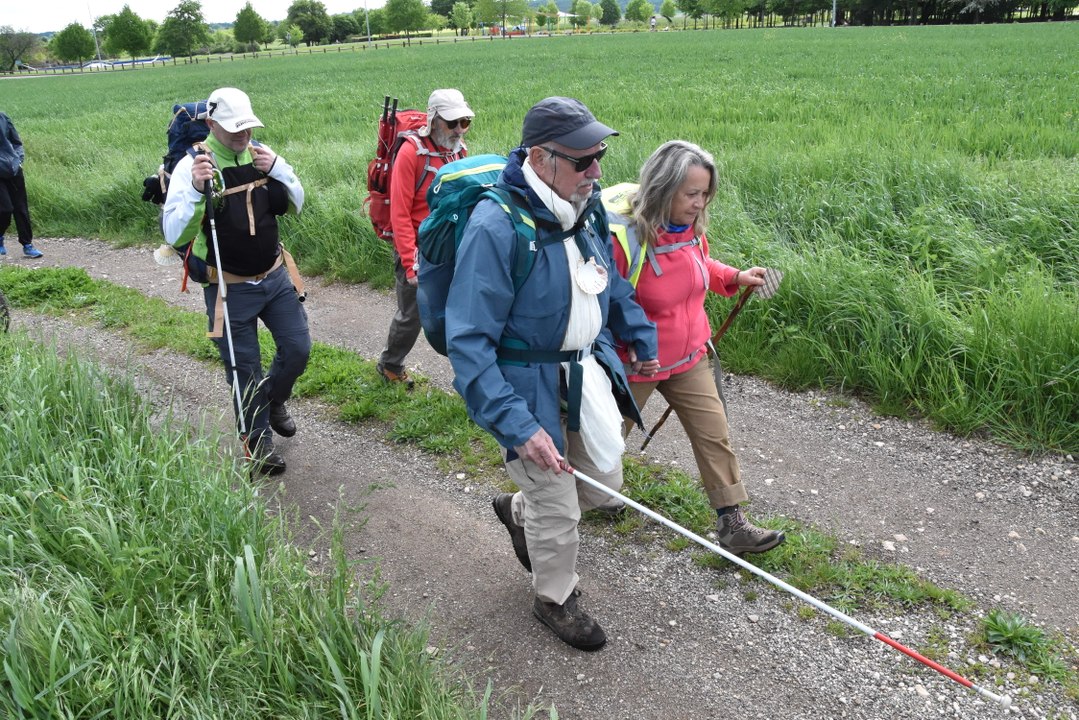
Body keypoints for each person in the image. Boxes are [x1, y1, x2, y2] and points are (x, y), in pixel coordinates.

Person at [445, 97, 659, 651]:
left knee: (603, 486)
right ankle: (554, 599)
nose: (597, 171)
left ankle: (519, 512)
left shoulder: (583, 208)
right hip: (525, 389)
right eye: (583, 160)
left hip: (585, 375)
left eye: (600, 155)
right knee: (558, 506)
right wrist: (518, 427)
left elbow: (608, 283)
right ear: (540, 158)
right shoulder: (496, 226)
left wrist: (639, 334)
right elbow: (468, 343)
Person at [613, 140, 784, 555]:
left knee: (714, 436)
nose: (700, 203)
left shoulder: (688, 230)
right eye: (692, 193)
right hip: (637, 366)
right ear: (663, 187)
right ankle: (535, 507)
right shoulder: (626, 239)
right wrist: (627, 345)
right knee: (601, 446)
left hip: (690, 357)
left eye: (705, 193)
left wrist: (734, 276)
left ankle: (733, 524)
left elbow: (697, 265)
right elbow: (604, 300)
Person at [162, 87, 310, 476]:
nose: (243, 136)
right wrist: (198, 191)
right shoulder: (193, 167)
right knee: (244, 368)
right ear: (212, 124)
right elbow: (174, 233)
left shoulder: (261, 154)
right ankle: (258, 443)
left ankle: (272, 399)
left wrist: (277, 168)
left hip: (275, 277)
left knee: (298, 349)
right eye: (234, 129)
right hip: (227, 289)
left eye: (247, 128)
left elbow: (297, 202)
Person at [377, 89, 473, 389]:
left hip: (450, 245)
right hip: (418, 249)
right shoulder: (410, 153)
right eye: (452, 123)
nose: (459, 130)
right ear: (433, 120)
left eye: (465, 122)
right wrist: (410, 263)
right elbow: (400, 214)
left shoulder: (458, 151)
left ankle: (470, 376)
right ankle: (390, 364)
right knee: (412, 315)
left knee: (463, 310)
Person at [0, 111, 44, 259]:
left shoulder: (3, 117)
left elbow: (16, 142)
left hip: (13, 169)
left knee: (21, 208)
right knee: (5, 209)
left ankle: (27, 245)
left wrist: (18, 160)